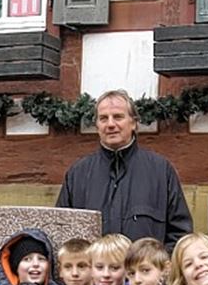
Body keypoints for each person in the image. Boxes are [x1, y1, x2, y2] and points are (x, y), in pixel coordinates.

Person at [56, 89, 192, 247]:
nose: (110, 124)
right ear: (97, 126)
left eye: (118, 117)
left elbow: (180, 235)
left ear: (133, 123)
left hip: (144, 263)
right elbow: (61, 232)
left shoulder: (161, 171)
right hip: (93, 264)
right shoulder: (77, 174)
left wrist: (159, 261)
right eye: (103, 118)